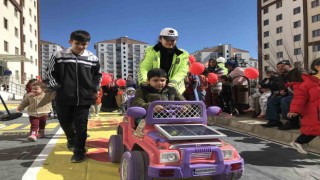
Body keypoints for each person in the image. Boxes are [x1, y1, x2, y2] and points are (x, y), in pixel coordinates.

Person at [46, 30, 102, 163]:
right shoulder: (59, 55)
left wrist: (94, 88)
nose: (81, 47)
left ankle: (79, 152)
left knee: (81, 125)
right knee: (65, 122)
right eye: (77, 43)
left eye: (84, 44)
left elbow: (98, 75)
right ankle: (71, 138)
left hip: (84, 98)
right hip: (64, 97)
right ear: (70, 41)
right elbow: (50, 73)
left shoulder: (92, 58)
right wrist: (57, 87)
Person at [138, 27, 189, 94]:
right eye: (167, 40)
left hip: (174, 88)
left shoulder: (183, 54)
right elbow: (144, 67)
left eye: (173, 40)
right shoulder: (151, 51)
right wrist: (144, 82)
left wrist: (172, 84)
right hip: (153, 86)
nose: (170, 42)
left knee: (176, 103)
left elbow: (182, 71)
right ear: (160, 39)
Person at [287, 58, 320, 154]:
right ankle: (298, 142)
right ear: (317, 67)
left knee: (315, 129)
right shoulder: (307, 82)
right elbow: (299, 97)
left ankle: (301, 142)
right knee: (313, 128)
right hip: (313, 111)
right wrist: (294, 110)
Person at [262, 60, 302, 129]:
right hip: (289, 95)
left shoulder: (297, 72)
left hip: (300, 95)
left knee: (285, 100)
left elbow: (302, 82)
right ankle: (274, 120)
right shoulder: (281, 76)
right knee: (272, 99)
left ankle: (293, 122)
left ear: (290, 66)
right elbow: (281, 87)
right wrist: (281, 91)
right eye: (278, 67)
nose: (280, 68)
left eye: (282, 66)